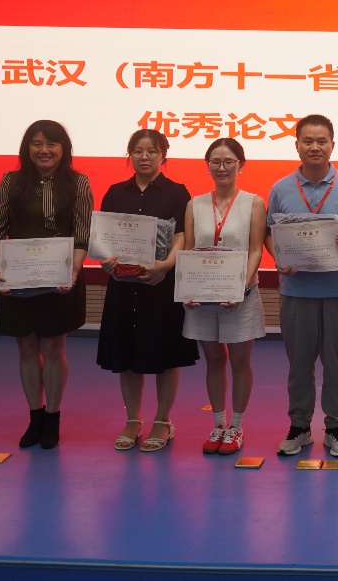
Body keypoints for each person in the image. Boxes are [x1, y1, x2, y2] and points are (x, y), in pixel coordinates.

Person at [265, 115, 338, 458]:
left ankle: (335, 428)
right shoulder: (280, 188)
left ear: (332, 145)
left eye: (321, 141)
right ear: (297, 145)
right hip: (296, 290)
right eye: (308, 141)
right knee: (298, 364)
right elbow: (269, 233)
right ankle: (299, 427)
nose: (315, 147)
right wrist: (278, 256)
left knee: (336, 364)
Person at [0, 120, 92, 450]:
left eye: (51, 144)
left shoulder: (78, 182)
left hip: (61, 279)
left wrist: (73, 271)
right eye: (36, 143)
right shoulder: (11, 181)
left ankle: (53, 417)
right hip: (17, 278)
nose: (44, 150)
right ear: (27, 147)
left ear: (63, 149)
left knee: (53, 349)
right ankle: (35, 416)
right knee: (27, 348)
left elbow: (82, 234)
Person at [96, 129, 195, 453]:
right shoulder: (115, 193)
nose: (144, 156)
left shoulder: (177, 192)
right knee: (125, 354)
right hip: (123, 287)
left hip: (160, 284)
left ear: (163, 156)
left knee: (165, 355)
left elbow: (182, 234)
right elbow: (104, 237)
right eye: (138, 151)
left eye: (152, 151)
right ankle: (133, 420)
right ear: (130, 155)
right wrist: (106, 260)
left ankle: (163, 420)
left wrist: (166, 265)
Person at [183, 138, 268, 457]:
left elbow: (256, 249)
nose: (222, 167)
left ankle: (237, 426)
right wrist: (187, 289)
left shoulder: (253, 203)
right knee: (214, 360)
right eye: (215, 161)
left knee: (240, 362)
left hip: (241, 296)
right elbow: (189, 250)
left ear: (240, 165)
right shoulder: (195, 204)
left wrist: (240, 288)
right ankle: (218, 424)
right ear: (207, 166)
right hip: (202, 298)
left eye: (229, 161)